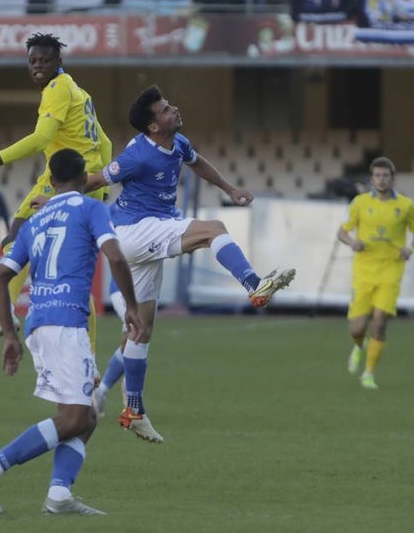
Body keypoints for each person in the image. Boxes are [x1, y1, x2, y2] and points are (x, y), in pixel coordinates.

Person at [84, 86, 296, 442]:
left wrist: (229, 189)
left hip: (147, 234)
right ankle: (253, 284)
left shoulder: (178, 143)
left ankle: (133, 409)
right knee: (213, 229)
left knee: (140, 330)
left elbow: (197, 163)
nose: (174, 109)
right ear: (153, 127)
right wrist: (57, 196)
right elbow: (96, 179)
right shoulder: (136, 156)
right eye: (166, 110)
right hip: (133, 232)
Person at [0, 149, 145, 517]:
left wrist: (10, 335)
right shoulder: (91, 208)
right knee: (76, 417)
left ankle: (59, 494)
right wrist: (134, 309)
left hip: (39, 322)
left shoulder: (36, 220)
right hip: (66, 322)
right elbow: (116, 256)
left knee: (85, 416)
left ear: (53, 181)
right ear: (84, 175)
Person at [0, 33, 112, 351]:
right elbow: (105, 143)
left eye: (44, 60)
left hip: (65, 183)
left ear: (57, 62)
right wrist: (100, 186)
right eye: (32, 61)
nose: (37, 66)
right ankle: (5, 313)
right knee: (17, 237)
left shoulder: (58, 89)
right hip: (69, 181)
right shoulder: (79, 92)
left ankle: (8, 315)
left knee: (53, 263)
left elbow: (39, 139)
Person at [336, 157, 414, 390]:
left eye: (386, 175)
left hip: (391, 269)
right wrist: (352, 242)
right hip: (364, 270)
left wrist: (411, 248)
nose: (381, 179)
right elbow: (342, 232)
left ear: (392, 178)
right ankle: (358, 345)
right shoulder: (359, 203)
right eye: (377, 176)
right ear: (372, 178)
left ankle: (369, 373)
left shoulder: (406, 205)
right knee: (356, 328)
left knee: (380, 321)